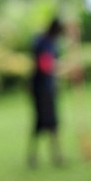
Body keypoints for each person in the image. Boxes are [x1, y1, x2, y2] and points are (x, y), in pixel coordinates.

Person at [28, 18, 64, 168]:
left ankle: (54, 156)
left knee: (49, 123)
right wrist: (64, 68)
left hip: (45, 89)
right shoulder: (43, 43)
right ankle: (43, 157)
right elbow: (45, 66)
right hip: (42, 90)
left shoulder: (47, 42)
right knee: (44, 123)